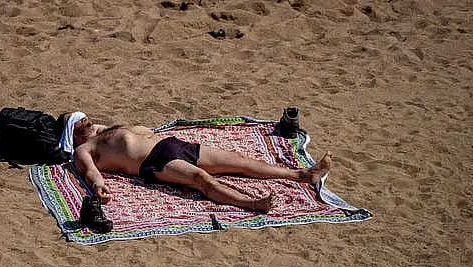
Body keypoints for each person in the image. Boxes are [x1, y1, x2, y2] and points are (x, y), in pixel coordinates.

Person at [55, 111, 332, 213]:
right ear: (72, 134)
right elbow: (90, 171)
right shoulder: (85, 150)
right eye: (75, 120)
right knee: (203, 180)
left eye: (81, 114)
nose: (83, 118)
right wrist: (98, 186)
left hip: (173, 144)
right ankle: (251, 204)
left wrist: (94, 126)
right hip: (154, 161)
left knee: (239, 160)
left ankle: (302, 175)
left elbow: (93, 124)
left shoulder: (103, 130)